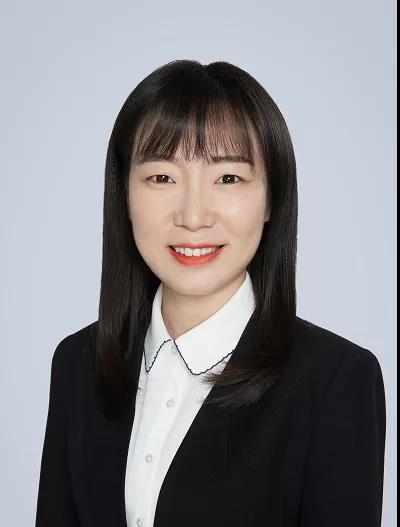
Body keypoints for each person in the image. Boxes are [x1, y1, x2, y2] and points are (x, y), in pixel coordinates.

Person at [35, 60, 386, 527]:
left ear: (271, 199)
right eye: (162, 178)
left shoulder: (335, 382)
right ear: (124, 195)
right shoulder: (78, 363)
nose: (193, 216)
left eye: (228, 178)